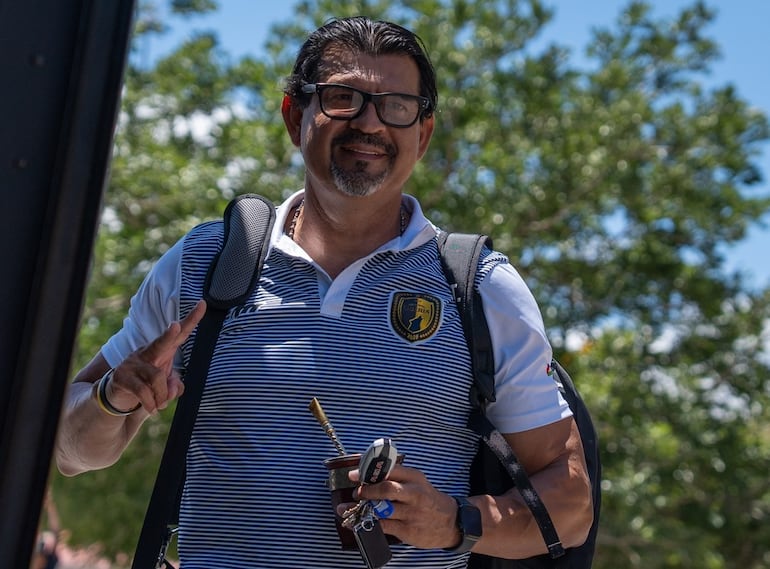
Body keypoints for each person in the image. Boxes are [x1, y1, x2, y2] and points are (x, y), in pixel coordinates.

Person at [56, 16, 593, 568]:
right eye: (342, 98)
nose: (369, 122)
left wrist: (456, 521)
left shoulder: (479, 288)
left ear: (423, 135)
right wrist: (112, 398)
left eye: (397, 105)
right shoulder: (207, 263)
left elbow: (572, 503)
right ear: (295, 116)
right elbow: (69, 451)